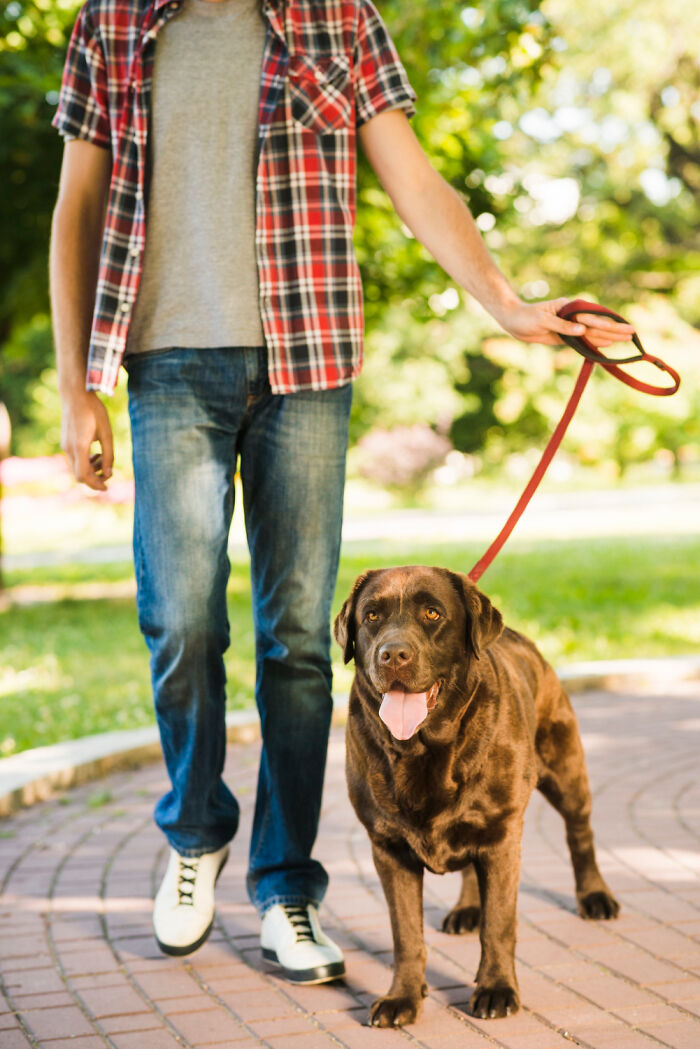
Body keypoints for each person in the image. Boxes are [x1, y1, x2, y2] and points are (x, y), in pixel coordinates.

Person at [49, 0, 632, 985]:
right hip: (166, 365)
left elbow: (413, 179)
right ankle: (196, 832)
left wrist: (508, 303)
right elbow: (77, 205)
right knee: (181, 617)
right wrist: (75, 386)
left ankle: (283, 886)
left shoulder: (337, 18)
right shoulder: (111, 22)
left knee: (301, 640)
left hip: (307, 365)